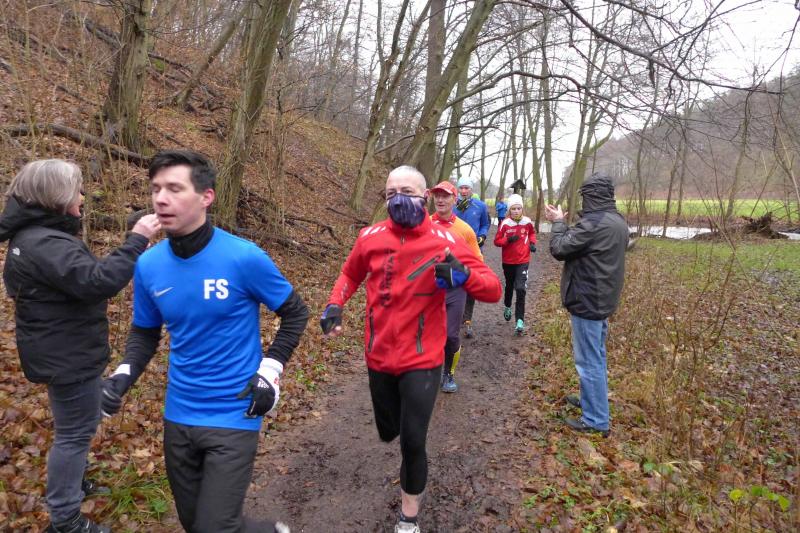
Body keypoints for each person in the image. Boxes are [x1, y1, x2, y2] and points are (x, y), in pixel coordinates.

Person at [100, 150, 309, 533]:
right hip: (179, 413)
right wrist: (123, 375)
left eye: (174, 189)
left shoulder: (244, 257)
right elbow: (145, 332)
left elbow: (295, 313)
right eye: (156, 189)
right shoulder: (148, 265)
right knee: (195, 524)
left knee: (214, 527)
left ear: (206, 197)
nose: (161, 199)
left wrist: (270, 370)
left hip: (234, 412)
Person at [320, 166, 501, 533]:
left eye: (406, 191)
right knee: (389, 430)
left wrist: (463, 276)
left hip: (423, 357)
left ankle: (408, 517)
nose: (398, 199)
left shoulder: (446, 240)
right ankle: (396, 432)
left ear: (424, 197)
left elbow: (493, 289)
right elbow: (351, 273)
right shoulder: (369, 237)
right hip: (378, 355)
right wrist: (335, 304)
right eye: (391, 193)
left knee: (413, 440)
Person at [0, 159, 161, 533]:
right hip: (67, 357)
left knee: (76, 427)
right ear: (56, 196)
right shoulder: (43, 243)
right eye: (77, 190)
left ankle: (72, 485)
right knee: (74, 434)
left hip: (61, 351)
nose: (83, 196)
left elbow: (77, 279)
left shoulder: (36, 237)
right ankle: (66, 519)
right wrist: (137, 239)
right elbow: (97, 281)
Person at [545, 172, 628, 437]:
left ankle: (595, 420)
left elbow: (559, 249)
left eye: (584, 196)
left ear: (590, 196)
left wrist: (558, 222)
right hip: (602, 299)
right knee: (597, 357)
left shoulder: (594, 223)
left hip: (587, 300)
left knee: (588, 361)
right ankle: (591, 401)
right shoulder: (617, 221)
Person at [430, 180, 483, 393]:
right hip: (429, 289)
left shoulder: (465, 230)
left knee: (451, 335)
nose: (440, 200)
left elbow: (477, 260)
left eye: (445, 196)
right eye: (437, 196)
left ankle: (448, 373)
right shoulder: (423, 225)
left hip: (455, 289)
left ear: (454, 199)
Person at [452, 176, 490, 339]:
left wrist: (482, 235)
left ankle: (467, 319)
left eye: (466, 188)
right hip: (453, 251)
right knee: (454, 283)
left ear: (471, 189)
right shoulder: (451, 206)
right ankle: (454, 316)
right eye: (461, 188)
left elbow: (485, 224)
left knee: (471, 284)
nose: (464, 191)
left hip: (474, 251)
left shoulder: (480, 206)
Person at [493, 194, 536, 335]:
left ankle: (519, 321)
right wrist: (507, 240)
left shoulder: (527, 222)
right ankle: (507, 306)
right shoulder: (505, 224)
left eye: (518, 208)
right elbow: (496, 241)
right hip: (508, 261)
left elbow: (532, 233)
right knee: (510, 286)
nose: (516, 211)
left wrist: (532, 243)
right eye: (513, 209)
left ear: (522, 209)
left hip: (523, 260)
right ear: (509, 210)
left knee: (521, 288)